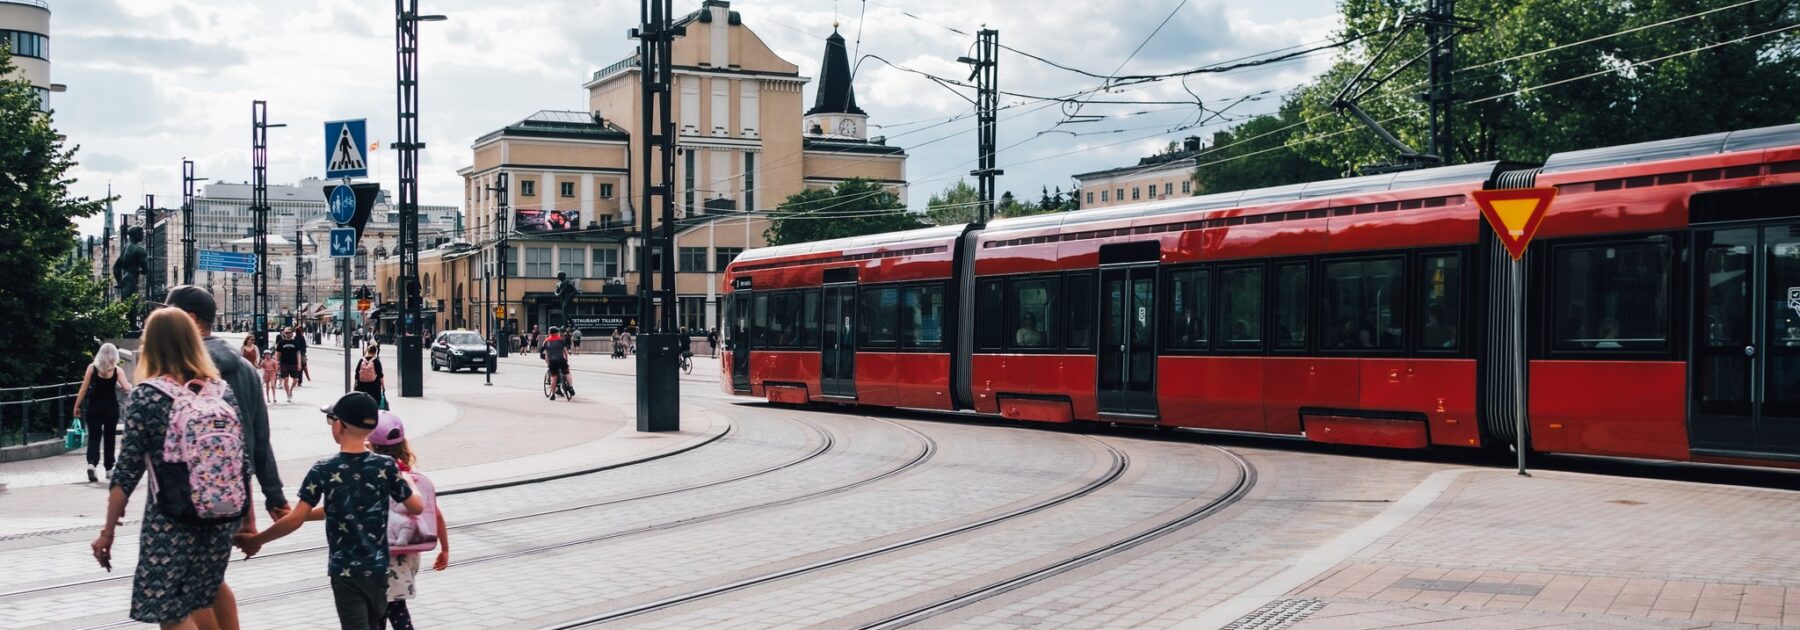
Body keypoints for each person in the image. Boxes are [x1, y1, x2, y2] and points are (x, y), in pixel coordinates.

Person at [90, 308, 251, 630]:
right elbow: (241, 460)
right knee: (202, 600)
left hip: (170, 519)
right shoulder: (220, 390)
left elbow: (126, 472)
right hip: (220, 515)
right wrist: (247, 519)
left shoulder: (148, 396)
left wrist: (107, 533)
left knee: (172, 612)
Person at [235, 392, 423, 630]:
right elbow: (416, 506)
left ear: (340, 425)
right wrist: (411, 486)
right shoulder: (385, 466)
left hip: (346, 574)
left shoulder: (324, 469)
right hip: (378, 570)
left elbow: (295, 520)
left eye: (331, 419)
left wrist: (256, 540)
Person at [164, 285, 292, 630]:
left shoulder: (181, 368)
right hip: (232, 494)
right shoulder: (245, 368)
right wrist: (274, 498)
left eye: (167, 315)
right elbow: (260, 439)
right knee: (212, 578)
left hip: (190, 495)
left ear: (190, 320)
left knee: (185, 589)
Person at [367, 411, 449, 630]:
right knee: (396, 607)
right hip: (408, 554)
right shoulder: (410, 477)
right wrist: (445, 548)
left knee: (380, 611)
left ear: (371, 444)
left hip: (380, 553)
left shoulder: (370, 475)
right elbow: (436, 515)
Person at [72, 343, 132, 483]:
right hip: (111, 408)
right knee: (110, 438)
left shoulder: (92, 368)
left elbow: (83, 388)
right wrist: (124, 387)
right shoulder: (117, 371)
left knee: (94, 437)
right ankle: (109, 469)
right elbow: (127, 388)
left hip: (94, 407)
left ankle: (92, 465)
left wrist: (76, 405)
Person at [540, 326, 572, 396]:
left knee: (554, 376)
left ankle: (554, 393)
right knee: (566, 372)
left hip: (551, 360)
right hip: (560, 359)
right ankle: (569, 387)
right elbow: (565, 352)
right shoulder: (560, 340)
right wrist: (566, 360)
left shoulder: (546, 341)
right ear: (557, 333)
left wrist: (548, 362)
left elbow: (545, 354)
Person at [274, 330, 302, 404]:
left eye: (289, 332)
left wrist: (299, 364)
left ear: (292, 334)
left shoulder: (295, 343)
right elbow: (277, 354)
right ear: (283, 333)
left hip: (294, 363)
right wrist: (276, 363)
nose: (288, 334)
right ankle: (288, 395)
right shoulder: (281, 343)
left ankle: (291, 390)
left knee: (295, 380)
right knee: (285, 379)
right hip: (284, 364)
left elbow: (298, 354)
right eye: (286, 333)